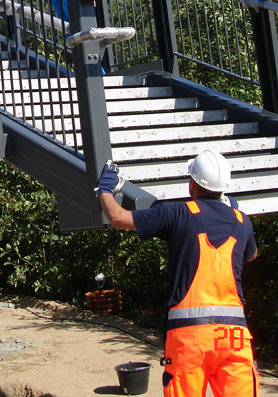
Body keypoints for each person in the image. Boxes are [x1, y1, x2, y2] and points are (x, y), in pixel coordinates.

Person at [97, 150, 259, 396]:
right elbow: (252, 255)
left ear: (193, 183)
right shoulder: (241, 221)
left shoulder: (178, 213)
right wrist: (235, 219)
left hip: (189, 338)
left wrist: (104, 190)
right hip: (234, 337)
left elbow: (118, 217)